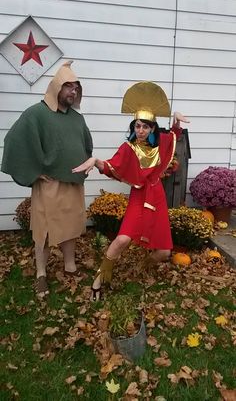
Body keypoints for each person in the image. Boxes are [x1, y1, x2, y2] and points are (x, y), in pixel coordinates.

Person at [72, 81, 189, 300]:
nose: (141, 130)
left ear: (152, 128)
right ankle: (99, 277)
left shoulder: (160, 144)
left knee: (163, 252)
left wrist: (176, 121)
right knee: (123, 239)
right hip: (139, 197)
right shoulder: (128, 148)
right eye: (137, 126)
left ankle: (142, 266)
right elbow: (111, 165)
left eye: (145, 126)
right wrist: (95, 161)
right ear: (133, 127)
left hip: (157, 198)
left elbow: (173, 136)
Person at [1, 61, 93, 297]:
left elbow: (86, 145)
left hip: (73, 183)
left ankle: (69, 265)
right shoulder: (37, 113)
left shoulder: (76, 118)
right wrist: (33, 171)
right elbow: (14, 142)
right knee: (43, 229)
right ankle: (41, 273)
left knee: (71, 226)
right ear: (56, 88)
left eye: (76, 87)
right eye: (68, 86)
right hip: (49, 183)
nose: (73, 91)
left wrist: (85, 163)